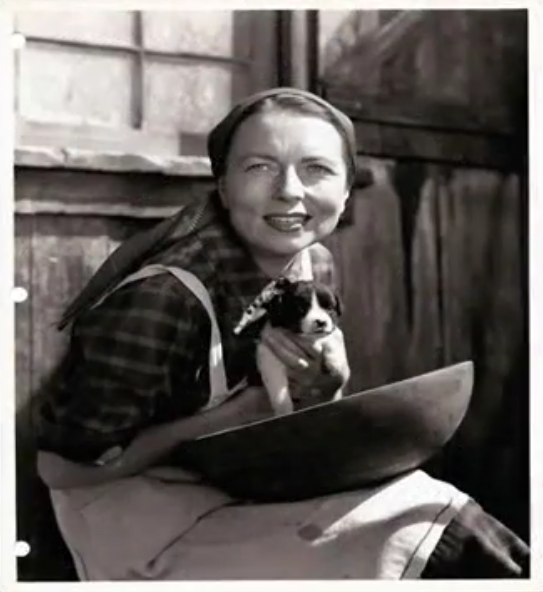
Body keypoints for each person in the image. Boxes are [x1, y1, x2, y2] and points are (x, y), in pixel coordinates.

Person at [35, 88, 529, 580]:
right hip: (144, 527)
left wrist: (325, 389)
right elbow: (64, 469)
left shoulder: (312, 266)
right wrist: (233, 416)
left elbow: (287, 417)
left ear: (346, 190)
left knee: (435, 511)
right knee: (420, 537)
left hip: (244, 483)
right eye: (260, 167)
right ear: (223, 187)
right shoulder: (163, 298)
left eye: (316, 169)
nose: (289, 190)